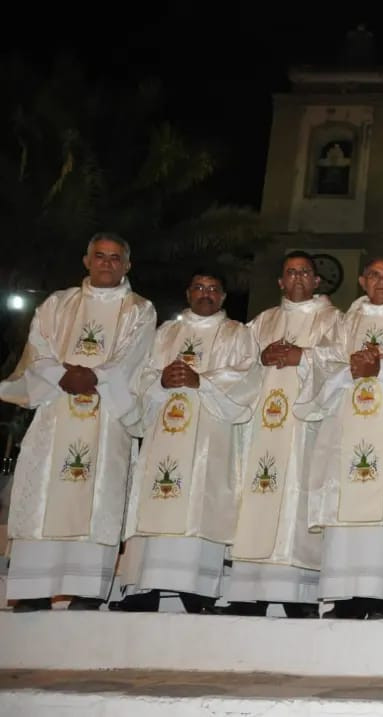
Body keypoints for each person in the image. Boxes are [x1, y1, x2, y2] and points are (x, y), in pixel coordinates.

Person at [0, 233, 156, 611]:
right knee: (44, 494)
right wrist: (60, 376)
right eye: (100, 256)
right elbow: (38, 349)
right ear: (86, 260)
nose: (107, 263)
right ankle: (34, 588)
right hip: (57, 411)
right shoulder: (58, 303)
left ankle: (87, 590)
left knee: (99, 494)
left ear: (127, 265)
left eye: (115, 258)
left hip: (107, 416)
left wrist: (94, 377)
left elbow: (134, 358)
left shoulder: (139, 309)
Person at [112, 271, 260, 613]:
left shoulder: (238, 334)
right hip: (164, 434)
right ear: (188, 293)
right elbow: (141, 377)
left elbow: (247, 378)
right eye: (198, 288)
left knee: (201, 503)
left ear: (223, 296)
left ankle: (198, 590)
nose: (205, 294)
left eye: (212, 289)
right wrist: (161, 380)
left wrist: (201, 381)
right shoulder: (167, 333)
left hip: (211, 435)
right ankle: (143, 588)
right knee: (156, 504)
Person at [296, 257, 383, 619]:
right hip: (347, 425)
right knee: (347, 503)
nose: (382, 282)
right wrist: (351, 372)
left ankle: (382, 596)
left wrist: (380, 369)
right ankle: (345, 595)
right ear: (362, 281)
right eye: (374, 275)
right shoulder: (345, 323)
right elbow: (321, 364)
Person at [224, 250, 341, 617]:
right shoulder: (262, 322)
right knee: (257, 497)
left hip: (305, 427)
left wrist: (303, 357)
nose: (298, 279)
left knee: (297, 497)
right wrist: (260, 359)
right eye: (290, 273)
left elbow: (340, 361)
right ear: (280, 281)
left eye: (305, 273)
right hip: (262, 429)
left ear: (316, 280)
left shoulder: (333, 319)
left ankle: (299, 598)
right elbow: (236, 366)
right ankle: (247, 595)